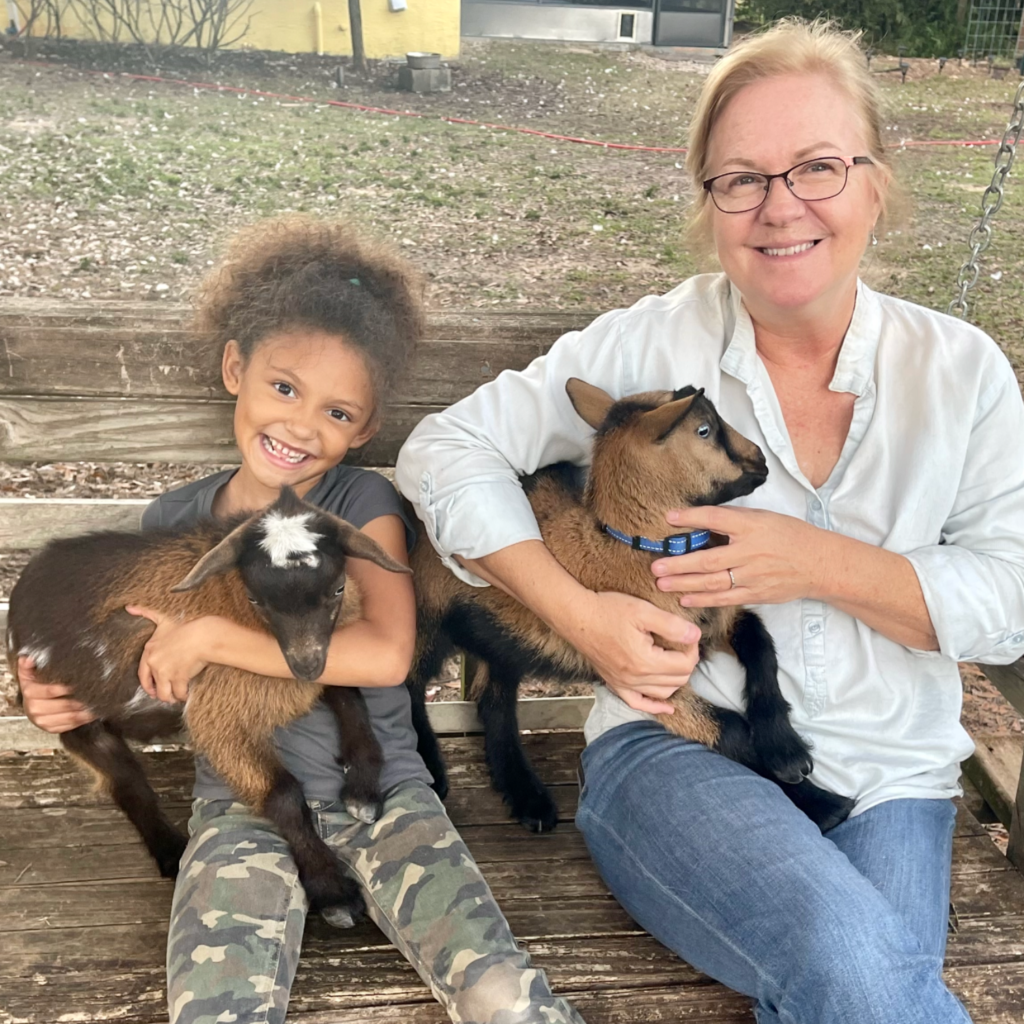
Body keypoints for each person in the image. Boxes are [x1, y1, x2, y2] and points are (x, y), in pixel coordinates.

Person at [394, 21, 1024, 1024]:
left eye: (817, 166)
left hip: (892, 778)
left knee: (857, 991)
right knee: (853, 970)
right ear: (709, 203)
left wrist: (815, 561)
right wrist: (578, 612)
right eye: (741, 178)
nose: (780, 207)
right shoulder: (657, 342)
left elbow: (1008, 603)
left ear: (874, 181)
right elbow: (444, 448)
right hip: (675, 751)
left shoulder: (960, 373)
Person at [19, 216, 587, 1024]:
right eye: (284, 388)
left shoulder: (360, 504)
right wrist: (57, 695)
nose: (300, 426)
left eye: (337, 412)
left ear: (365, 428)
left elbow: (387, 652)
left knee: (505, 993)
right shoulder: (171, 525)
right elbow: (140, 667)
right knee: (215, 1007)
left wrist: (214, 636)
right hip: (240, 806)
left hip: (390, 794)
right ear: (234, 369)